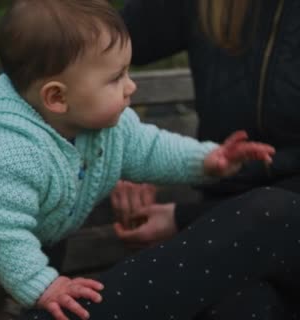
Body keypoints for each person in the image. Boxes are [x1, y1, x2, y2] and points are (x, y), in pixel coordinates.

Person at [0, 0, 275, 319]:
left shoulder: (109, 127)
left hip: (48, 213)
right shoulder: (6, 153)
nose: (131, 86)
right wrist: (41, 285)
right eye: (116, 78)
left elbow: (151, 149)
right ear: (57, 98)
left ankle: (16, 308)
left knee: (49, 295)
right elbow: (5, 234)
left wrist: (208, 160)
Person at [107, 0, 300, 317]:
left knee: (267, 213)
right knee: (246, 306)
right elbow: (57, 51)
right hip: (226, 244)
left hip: (259, 224)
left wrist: (185, 217)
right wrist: (114, 146)